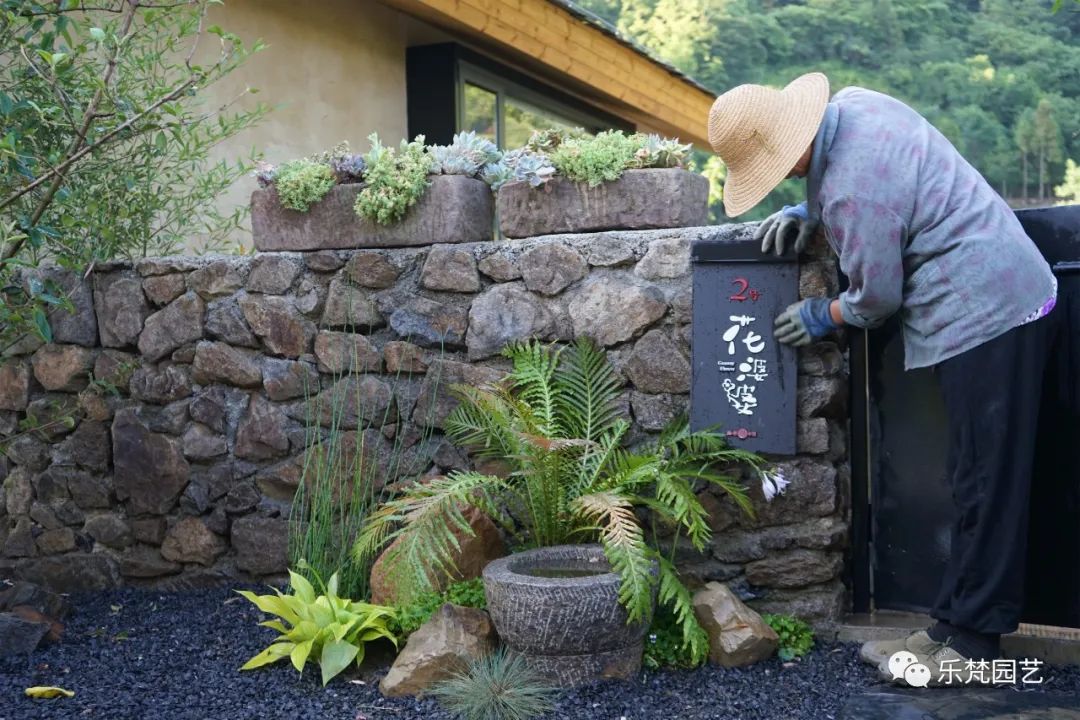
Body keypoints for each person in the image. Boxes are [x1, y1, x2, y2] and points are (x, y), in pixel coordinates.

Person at [706, 73, 1058, 687]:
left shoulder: (851, 194)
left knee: (986, 480)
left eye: (783, 173)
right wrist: (806, 210)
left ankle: (975, 644)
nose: (788, 180)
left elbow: (875, 299)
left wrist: (820, 314)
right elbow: (871, 179)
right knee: (974, 474)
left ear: (791, 148)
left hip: (991, 310)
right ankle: (950, 625)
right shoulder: (856, 106)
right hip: (1006, 282)